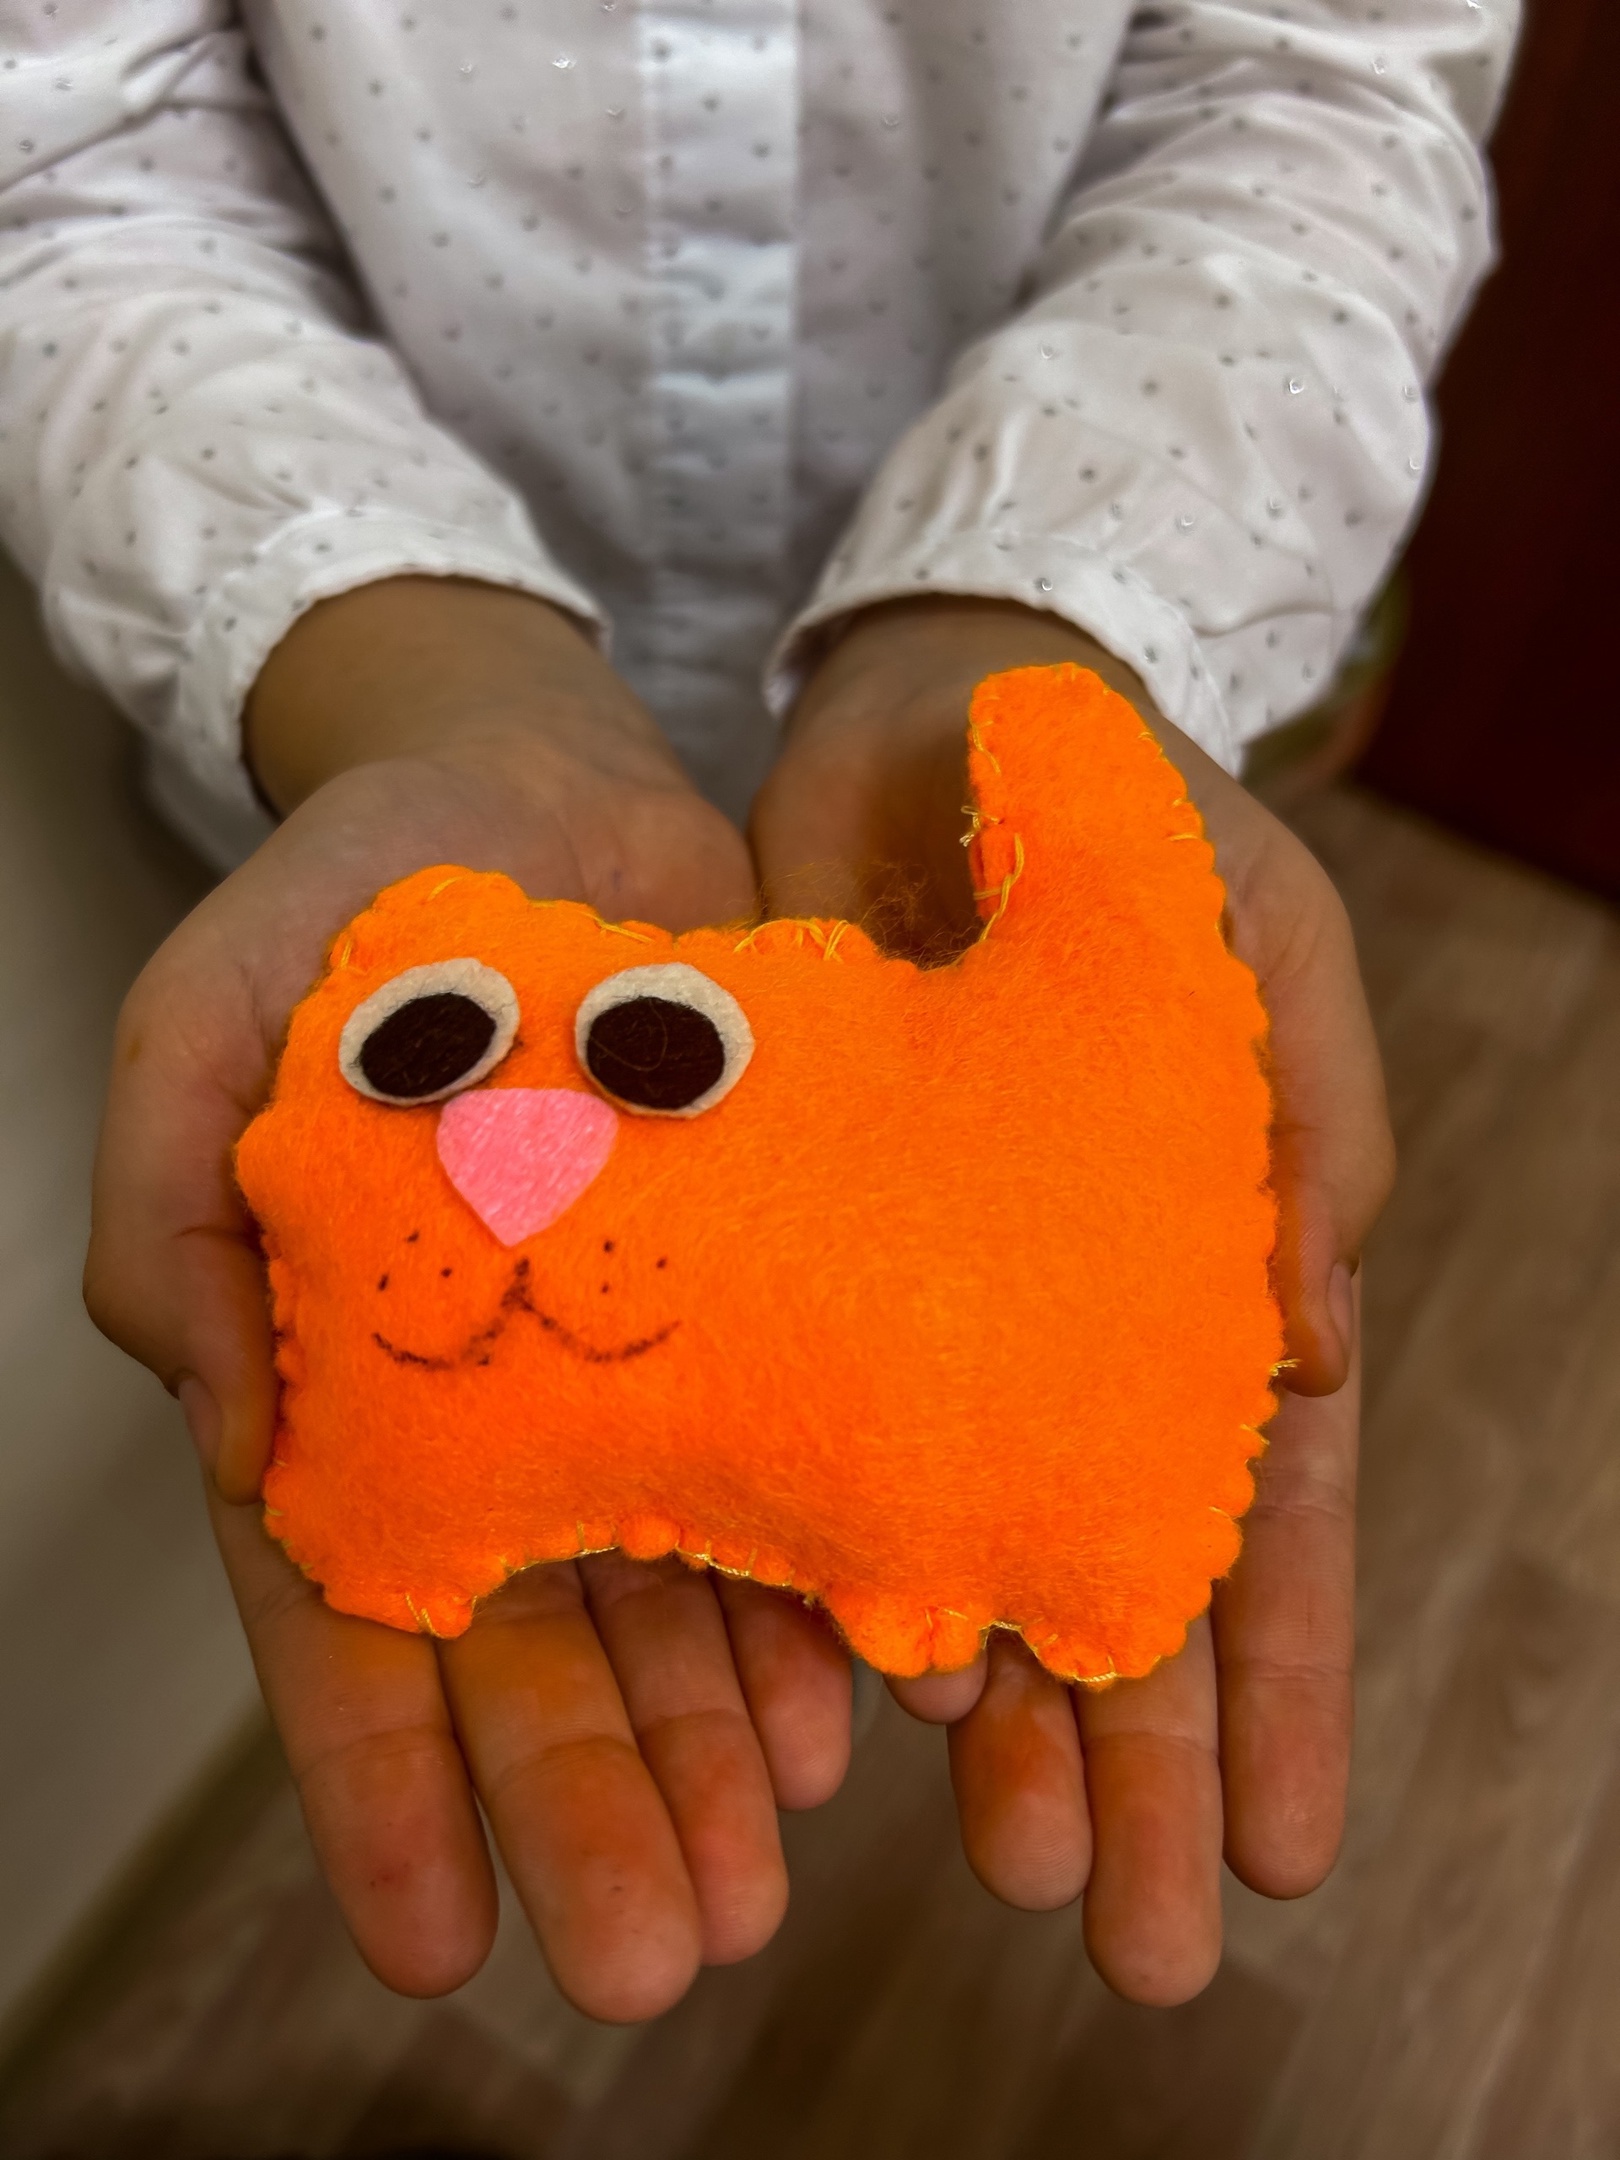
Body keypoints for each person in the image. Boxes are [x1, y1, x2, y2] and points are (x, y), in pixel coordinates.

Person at [0, 0, 1510, 2022]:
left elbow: (1321, 88)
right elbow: (58, 155)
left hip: (1094, 664)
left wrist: (1040, 615)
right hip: (344, 741)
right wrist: (416, 671)